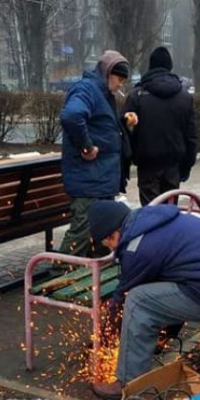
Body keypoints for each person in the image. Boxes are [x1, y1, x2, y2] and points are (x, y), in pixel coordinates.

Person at [87, 200, 200, 400]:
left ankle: (128, 383)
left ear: (112, 234)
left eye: (109, 245)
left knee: (137, 302)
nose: (113, 249)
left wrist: (103, 341)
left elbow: (121, 298)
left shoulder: (136, 247)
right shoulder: (160, 221)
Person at [58, 50, 135, 258]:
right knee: (81, 235)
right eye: (119, 79)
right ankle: (57, 281)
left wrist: (123, 123)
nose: (121, 84)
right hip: (89, 183)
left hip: (100, 181)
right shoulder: (87, 89)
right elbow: (72, 116)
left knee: (101, 235)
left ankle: (93, 279)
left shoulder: (102, 93)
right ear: (108, 73)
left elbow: (100, 126)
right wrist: (87, 147)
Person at [123, 46, 197, 206]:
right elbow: (191, 136)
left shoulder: (137, 96)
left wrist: (128, 161)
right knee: (169, 212)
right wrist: (187, 165)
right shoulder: (184, 97)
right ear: (170, 67)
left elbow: (125, 131)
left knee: (151, 212)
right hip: (173, 165)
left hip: (147, 164)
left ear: (151, 67)